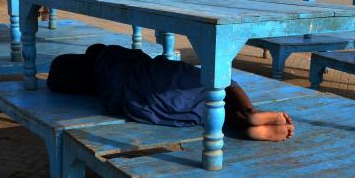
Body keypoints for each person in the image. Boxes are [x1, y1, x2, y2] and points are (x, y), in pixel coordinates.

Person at [47, 44, 295, 141]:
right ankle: (251, 112)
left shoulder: (99, 89)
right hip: (153, 76)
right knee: (219, 81)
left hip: (140, 102)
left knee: (206, 111)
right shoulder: (104, 56)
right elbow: (132, 55)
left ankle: (243, 125)